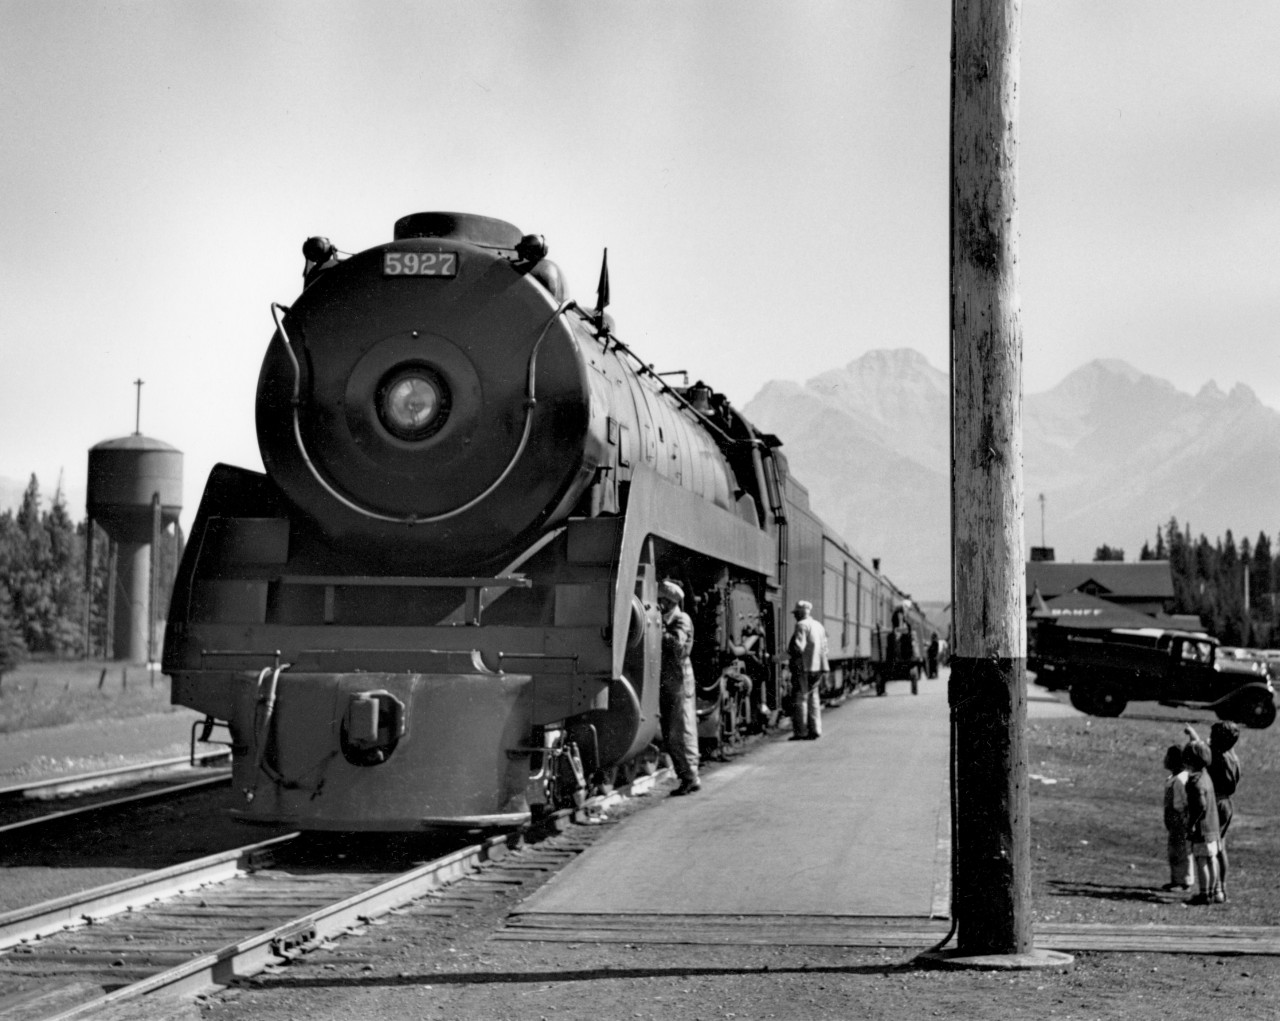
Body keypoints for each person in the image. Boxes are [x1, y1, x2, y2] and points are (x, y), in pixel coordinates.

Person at [1186, 721, 1241, 901]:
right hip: (1227, 803)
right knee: (1220, 847)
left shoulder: (1216, 755)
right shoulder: (1232, 756)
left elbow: (1202, 754)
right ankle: (1221, 888)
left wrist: (1193, 736)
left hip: (1214, 804)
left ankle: (1211, 890)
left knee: (1210, 849)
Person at [657, 580, 700, 795]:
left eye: (661, 600)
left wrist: (658, 630)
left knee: (680, 729)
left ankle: (690, 776)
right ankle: (687, 775)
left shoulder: (681, 620)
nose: (659, 604)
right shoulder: (669, 618)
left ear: (670, 601)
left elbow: (677, 646)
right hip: (670, 677)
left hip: (679, 678)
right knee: (673, 729)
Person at [1182, 739, 1222, 905]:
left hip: (1202, 829)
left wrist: (1191, 824)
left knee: (1201, 860)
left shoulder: (1195, 782)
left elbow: (1200, 806)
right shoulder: (1206, 776)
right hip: (1213, 827)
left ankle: (1204, 893)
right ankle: (1214, 891)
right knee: (1212, 858)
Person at [787, 600, 829, 741]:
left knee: (801, 698)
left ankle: (801, 732)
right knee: (814, 698)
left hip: (804, 667)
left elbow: (799, 647)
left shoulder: (801, 625)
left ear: (800, 613)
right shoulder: (819, 625)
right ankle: (816, 730)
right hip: (818, 667)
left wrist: (781, 656)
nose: (794, 616)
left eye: (795, 613)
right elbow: (825, 647)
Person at [1161, 744, 1194, 891]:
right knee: (1174, 850)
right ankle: (1176, 879)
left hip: (1180, 818)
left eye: (1168, 757)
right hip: (1173, 818)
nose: (1165, 759)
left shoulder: (1181, 780)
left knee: (1182, 850)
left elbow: (1187, 802)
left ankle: (1184, 880)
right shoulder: (1172, 778)